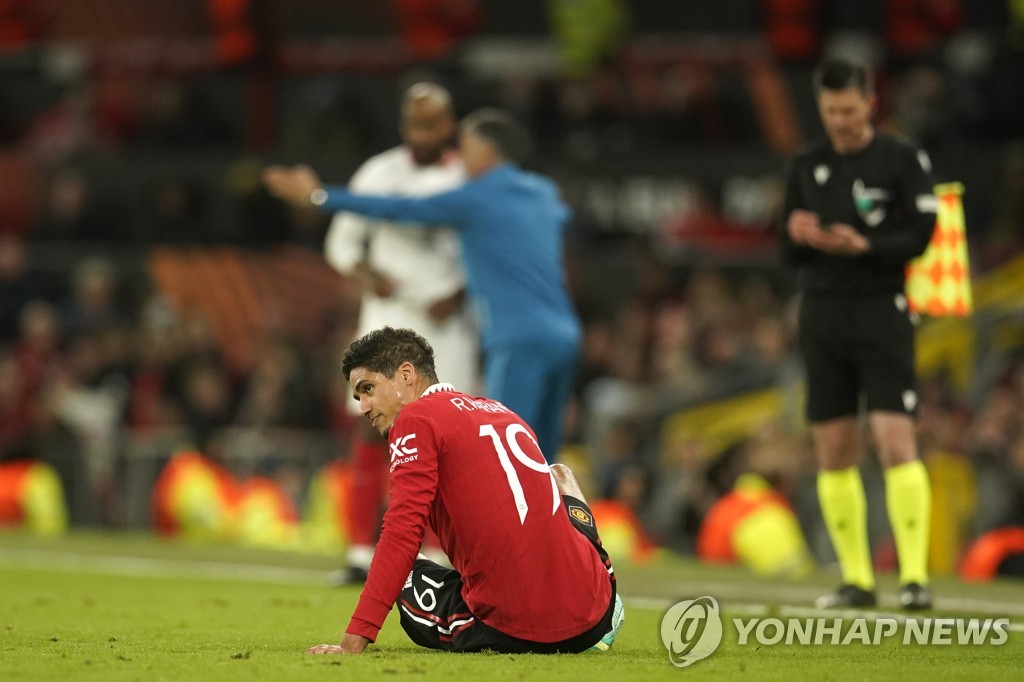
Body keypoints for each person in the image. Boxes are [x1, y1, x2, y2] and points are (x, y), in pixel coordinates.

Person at [263, 108, 582, 465]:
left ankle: (502, 523)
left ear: (486, 152)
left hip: (519, 338)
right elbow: (560, 217)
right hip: (565, 334)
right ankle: (555, 521)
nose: (461, 157)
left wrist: (319, 197)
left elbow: (402, 208)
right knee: (546, 455)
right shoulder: (543, 193)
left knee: (507, 454)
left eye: (466, 148)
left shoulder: (477, 197)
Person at [306, 326, 623, 654]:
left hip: (518, 625)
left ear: (405, 375)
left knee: (403, 574)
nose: (363, 407)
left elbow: (402, 530)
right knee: (561, 474)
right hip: (594, 610)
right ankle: (609, 603)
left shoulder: (414, 419)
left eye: (368, 388)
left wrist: (354, 639)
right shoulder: (502, 412)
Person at [780, 58, 937, 610]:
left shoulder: (901, 158)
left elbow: (922, 234)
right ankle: (857, 580)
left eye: (849, 110)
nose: (841, 121)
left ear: (870, 102)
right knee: (834, 449)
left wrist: (865, 246)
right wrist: (796, 233)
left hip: (880, 308)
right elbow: (785, 246)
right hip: (822, 313)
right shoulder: (807, 163)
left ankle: (914, 578)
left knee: (896, 439)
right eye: (831, 112)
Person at [322, 82, 478, 585]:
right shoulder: (379, 173)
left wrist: (463, 291)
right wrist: (370, 276)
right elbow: (342, 242)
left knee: (449, 436)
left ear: (450, 125)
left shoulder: (468, 176)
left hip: (447, 324)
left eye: (432, 124)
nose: (422, 134)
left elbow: (492, 248)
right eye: (415, 124)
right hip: (387, 319)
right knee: (368, 430)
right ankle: (359, 552)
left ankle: (436, 555)